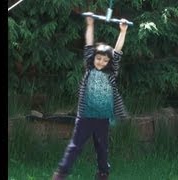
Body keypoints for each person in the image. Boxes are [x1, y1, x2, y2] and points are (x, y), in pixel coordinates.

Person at [52, 13, 129, 180]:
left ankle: (103, 174)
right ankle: (61, 173)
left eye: (105, 60)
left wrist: (122, 31)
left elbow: (117, 51)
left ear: (110, 63)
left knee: (102, 148)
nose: (101, 62)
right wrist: (90, 24)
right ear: (93, 59)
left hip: (102, 118)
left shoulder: (111, 73)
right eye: (98, 58)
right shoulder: (89, 68)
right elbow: (89, 44)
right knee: (75, 146)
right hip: (85, 116)